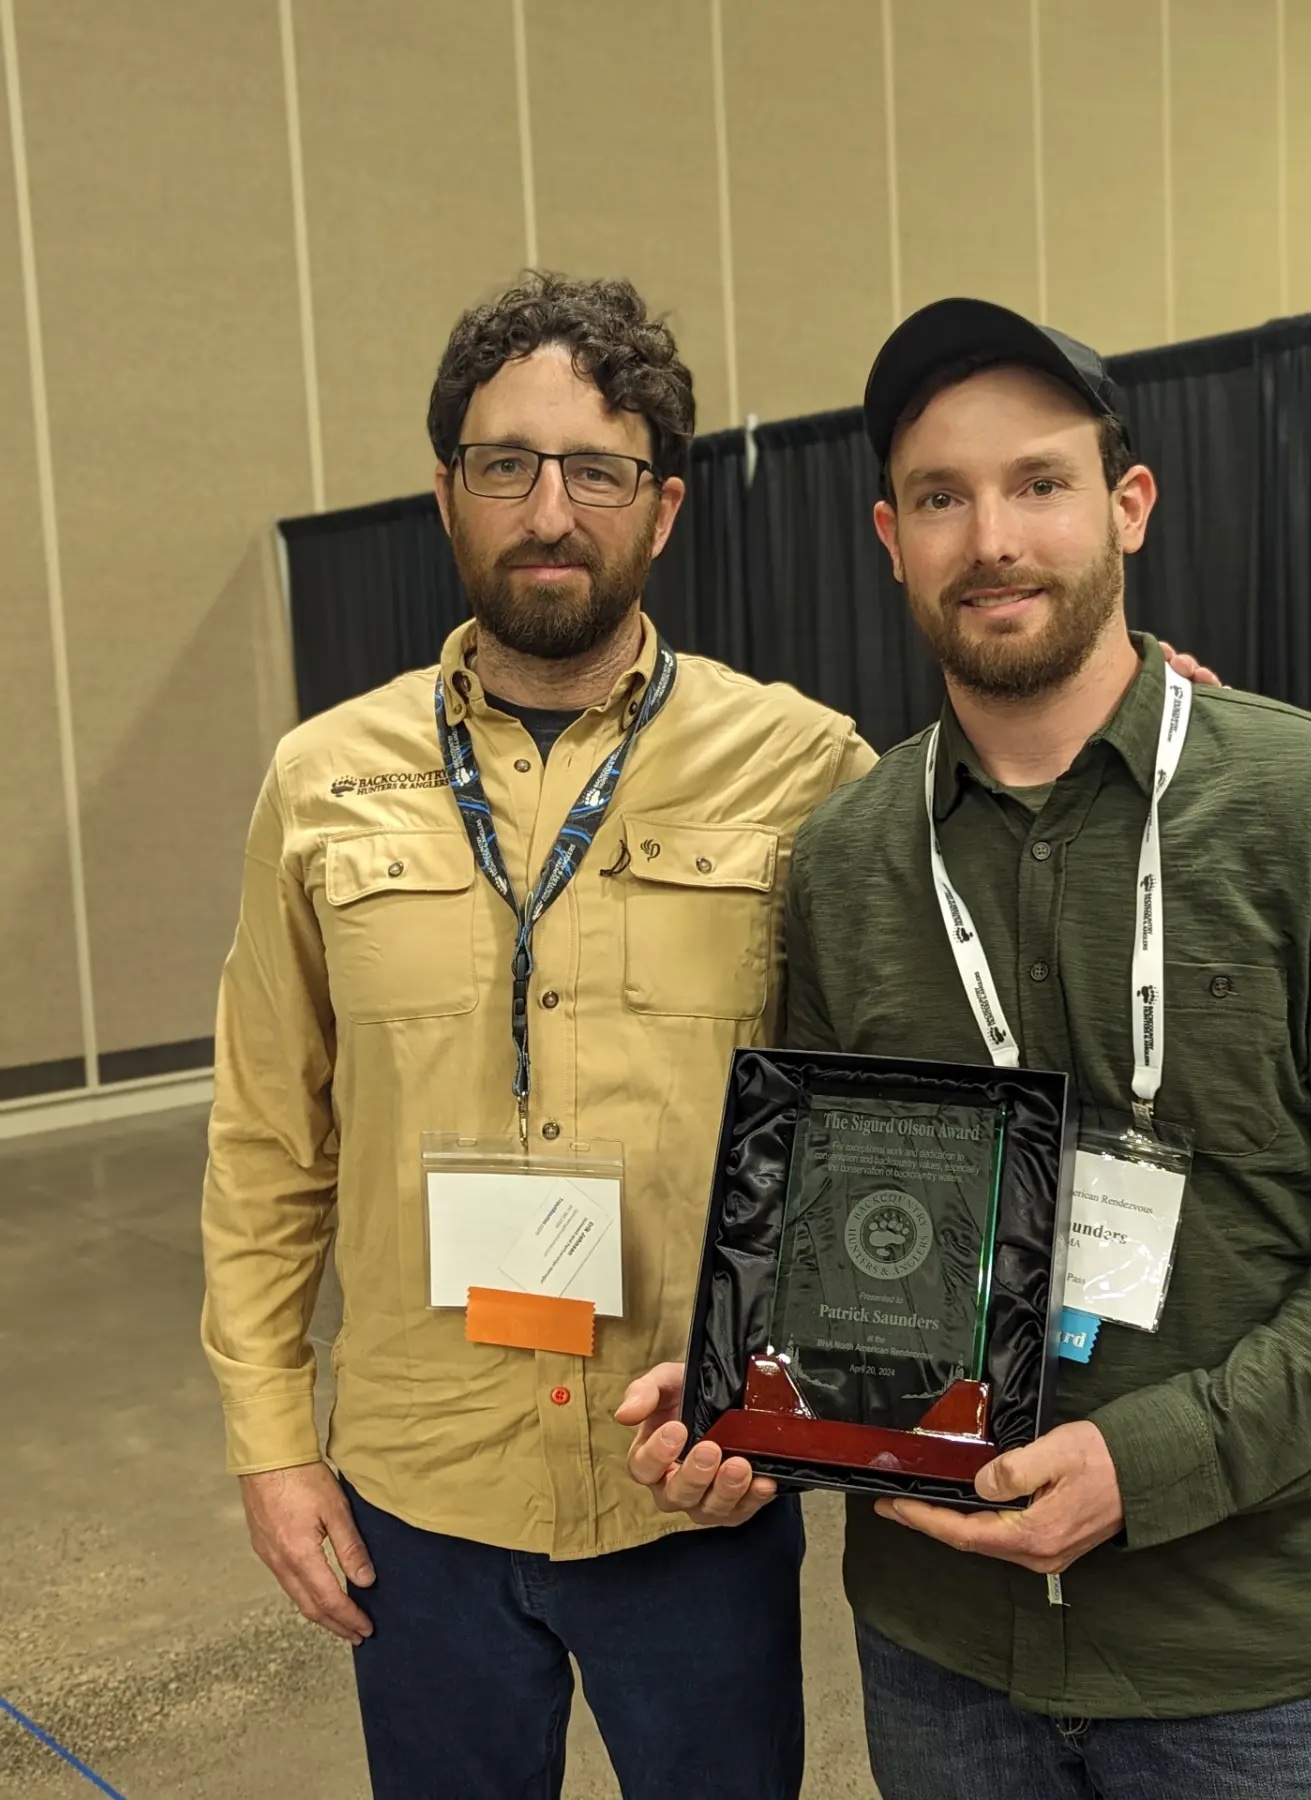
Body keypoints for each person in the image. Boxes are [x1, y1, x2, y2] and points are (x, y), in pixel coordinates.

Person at [623, 297, 1311, 1800]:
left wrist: (1157, 1463)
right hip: (944, 1662)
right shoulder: (851, 857)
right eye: (943, 496)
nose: (991, 535)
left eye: (1039, 483)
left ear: (1127, 505)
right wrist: (744, 1384)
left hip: (1251, 1668)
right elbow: (826, 1213)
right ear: (891, 536)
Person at [199, 271, 879, 1800]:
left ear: (666, 506)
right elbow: (265, 1142)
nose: (549, 509)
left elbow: (874, 1116)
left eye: (597, 470)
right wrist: (270, 1442)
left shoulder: (805, 765)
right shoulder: (321, 782)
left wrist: (785, 1390)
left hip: (687, 1484)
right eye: (506, 465)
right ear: (447, 492)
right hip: (416, 1494)